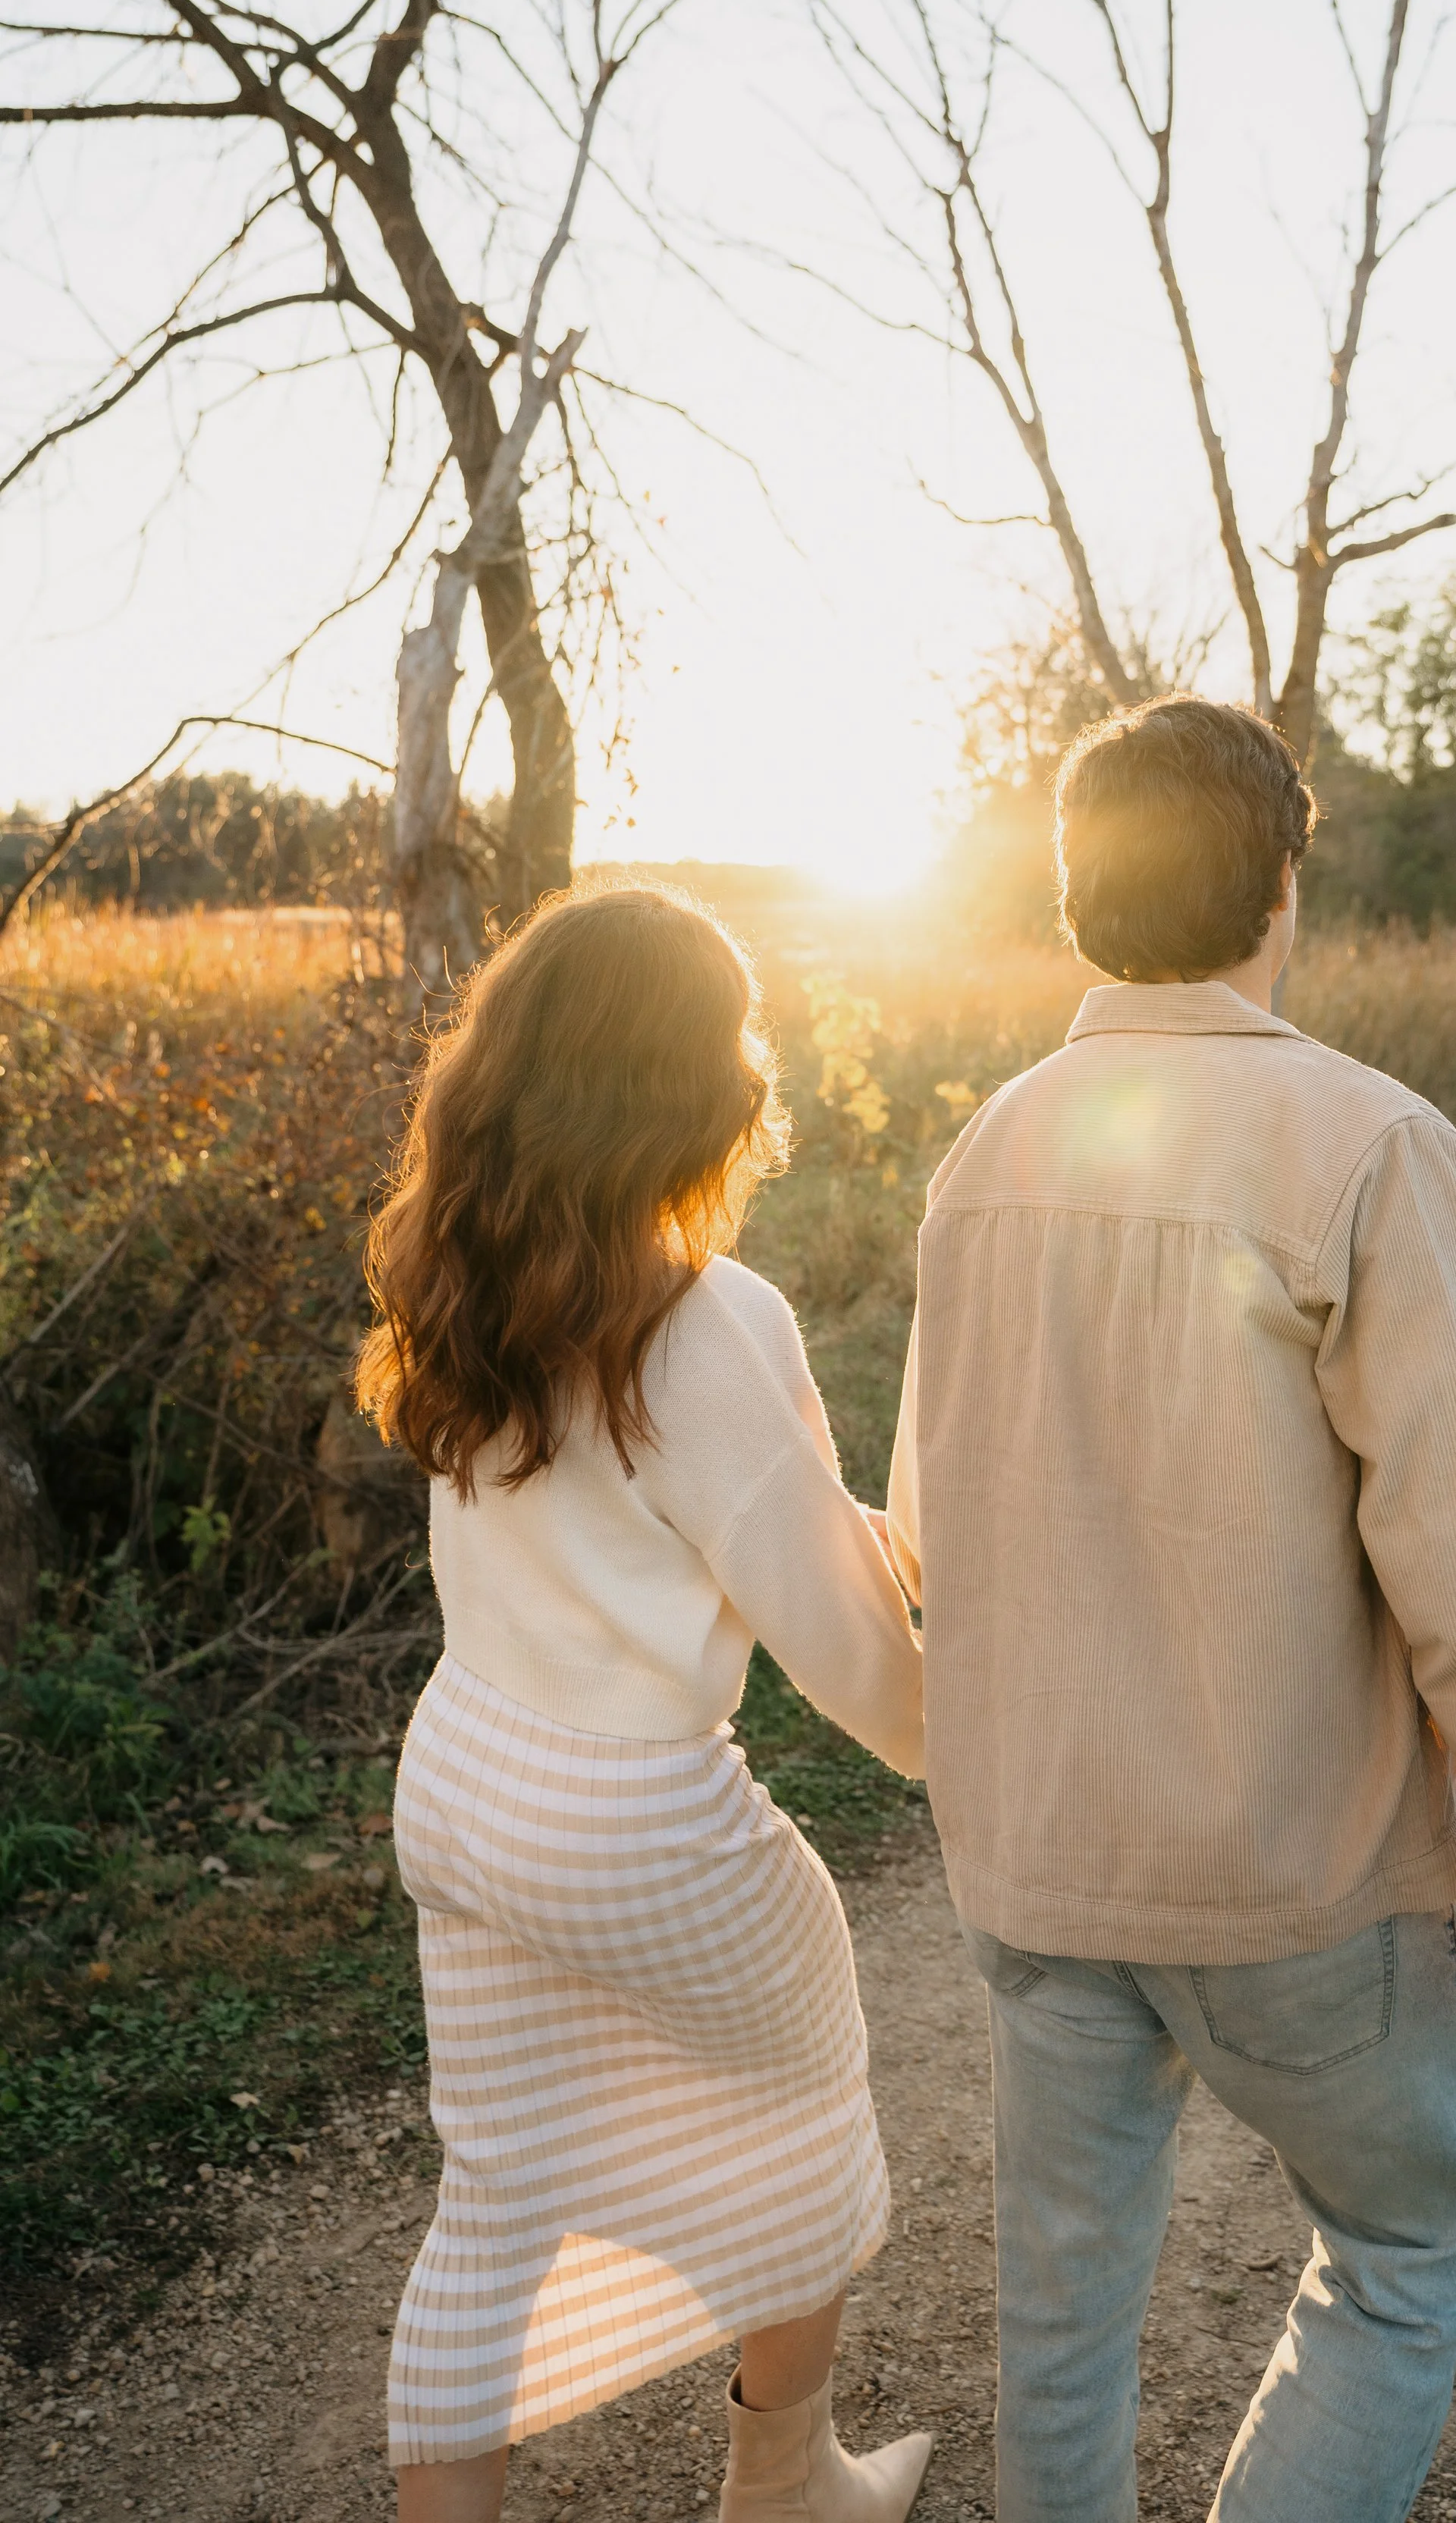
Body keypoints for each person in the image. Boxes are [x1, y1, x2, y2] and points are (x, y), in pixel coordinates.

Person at [886, 696, 1456, 2523]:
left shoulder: (980, 1158)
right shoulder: (1368, 1148)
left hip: (1040, 1875)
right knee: (1400, 2254)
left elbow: (923, 1530)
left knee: (1058, 2321)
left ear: (1078, 899)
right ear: (1279, 883)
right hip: (1291, 1878)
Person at [357, 885, 933, 2523]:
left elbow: (624, 1527)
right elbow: (841, 1640)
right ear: (687, 1082)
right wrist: (969, 1755)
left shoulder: (457, 1276)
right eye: (738, 1036)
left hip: (463, 1778)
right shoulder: (706, 1316)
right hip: (635, 1814)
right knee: (806, 2107)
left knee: (497, 2197)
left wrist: (821, 1535)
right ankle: (787, 2487)